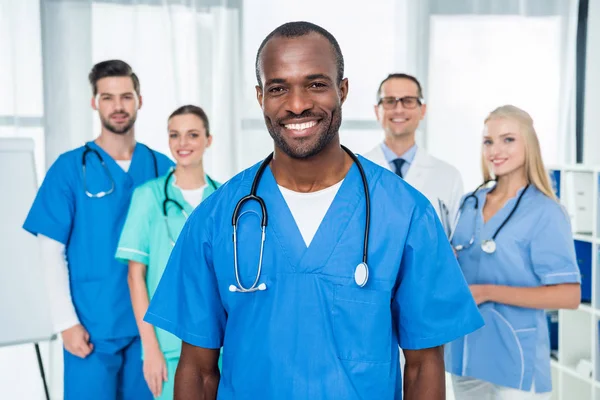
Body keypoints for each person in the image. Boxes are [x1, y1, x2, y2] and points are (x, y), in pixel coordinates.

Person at [143, 21, 483, 400]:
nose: (298, 103)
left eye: (316, 84)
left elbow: (423, 367)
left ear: (343, 90)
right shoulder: (216, 219)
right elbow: (198, 370)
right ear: (260, 97)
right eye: (278, 88)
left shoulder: (405, 215)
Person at [22, 60, 174, 399]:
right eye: (107, 97)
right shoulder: (69, 168)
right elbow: (50, 252)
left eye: (125, 96)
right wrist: (65, 322)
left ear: (139, 100)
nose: (118, 106)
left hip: (149, 332)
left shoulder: (160, 167)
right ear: (94, 102)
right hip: (90, 329)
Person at [445, 105, 581, 399]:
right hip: (465, 352)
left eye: (508, 139)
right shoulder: (470, 203)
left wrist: (487, 292)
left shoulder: (546, 211)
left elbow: (568, 296)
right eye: (488, 141)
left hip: (515, 360)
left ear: (528, 145)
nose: (496, 149)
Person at [115, 105, 222, 399]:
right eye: (175, 135)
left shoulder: (223, 198)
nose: (183, 143)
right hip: (167, 345)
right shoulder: (148, 196)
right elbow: (135, 277)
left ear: (208, 140)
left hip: (219, 343)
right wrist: (150, 349)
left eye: (192, 134)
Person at [364, 73, 464, 234]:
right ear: (377, 111)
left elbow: (456, 244)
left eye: (408, 101)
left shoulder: (448, 176)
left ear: (422, 110)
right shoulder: (354, 170)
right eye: (390, 101)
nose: (398, 109)